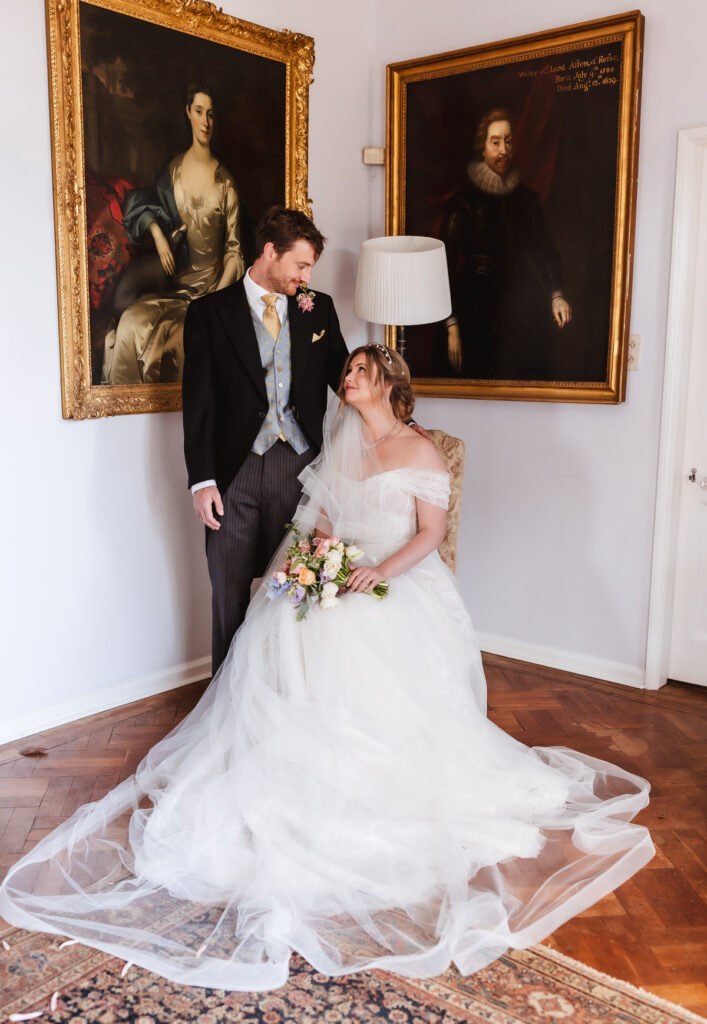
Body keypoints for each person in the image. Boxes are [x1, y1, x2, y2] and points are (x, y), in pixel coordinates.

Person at [0, 344, 653, 993]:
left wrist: (375, 572)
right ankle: (291, 753)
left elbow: (428, 534)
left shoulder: (420, 449)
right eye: (347, 372)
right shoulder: (341, 449)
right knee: (280, 618)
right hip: (342, 572)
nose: (348, 379)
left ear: (391, 383)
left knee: (358, 628)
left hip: (396, 578)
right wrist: (305, 563)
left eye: (360, 371)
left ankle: (370, 766)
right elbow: (323, 527)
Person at [182, 205, 349, 673]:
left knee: (297, 588)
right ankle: (225, 704)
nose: (306, 276)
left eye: (310, 267)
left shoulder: (319, 308)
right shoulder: (208, 315)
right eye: (300, 265)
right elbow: (198, 404)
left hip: (299, 469)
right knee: (229, 592)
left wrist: (396, 416)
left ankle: (288, 691)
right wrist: (202, 482)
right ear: (269, 252)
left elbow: (346, 378)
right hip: (235, 472)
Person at [102, 84, 244, 385]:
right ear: (188, 114)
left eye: (210, 115)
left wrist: (213, 303)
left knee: (181, 338)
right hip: (176, 290)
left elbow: (235, 251)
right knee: (130, 322)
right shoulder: (173, 172)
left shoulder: (225, 183)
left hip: (212, 294)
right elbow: (142, 203)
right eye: (199, 112)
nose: (205, 121)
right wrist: (157, 233)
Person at [441, 109, 572, 380]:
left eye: (508, 141)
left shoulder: (526, 199)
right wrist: (451, 324)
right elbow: (443, 266)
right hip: (474, 306)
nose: (503, 150)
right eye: (495, 142)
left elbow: (544, 249)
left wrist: (556, 293)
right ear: (482, 147)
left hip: (520, 301)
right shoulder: (462, 202)